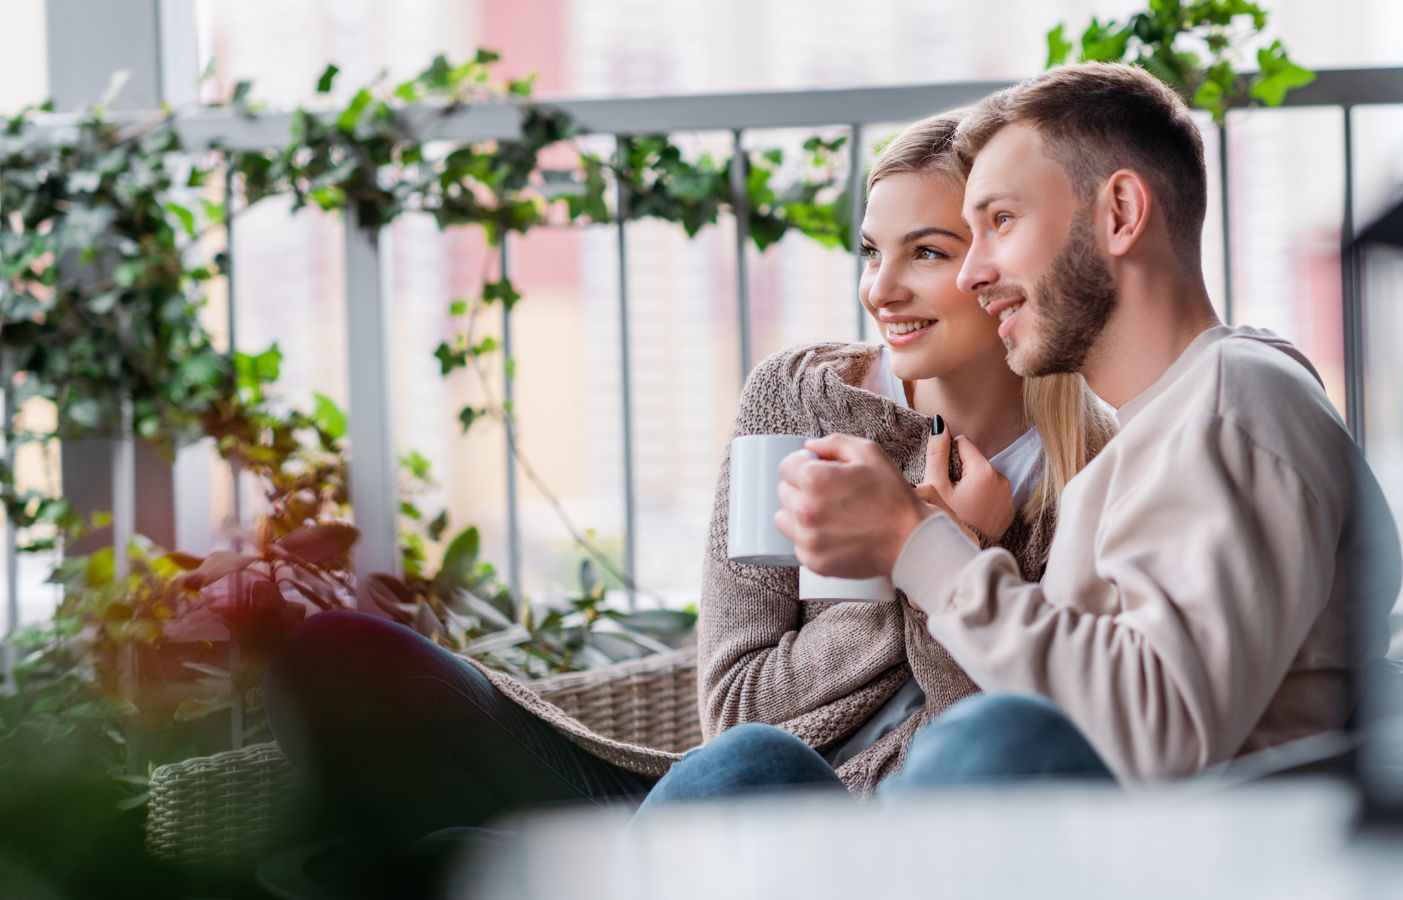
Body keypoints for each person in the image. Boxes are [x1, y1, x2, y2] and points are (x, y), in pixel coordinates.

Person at [261, 112, 1116, 886]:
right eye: (870, 250)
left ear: (1003, 266)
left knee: (759, 767)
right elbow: (735, 701)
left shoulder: (1090, 471)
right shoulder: (799, 400)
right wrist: (903, 556)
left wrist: (942, 567)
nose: (879, 289)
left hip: (849, 843)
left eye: (924, 252)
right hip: (690, 804)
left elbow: (986, 777)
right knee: (335, 658)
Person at [662, 61, 1402, 796]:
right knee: (753, 761)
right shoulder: (1170, 427)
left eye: (1000, 223)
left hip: (1183, 844)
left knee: (977, 739)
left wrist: (921, 547)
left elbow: (1147, 732)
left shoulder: (1229, 400)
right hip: (1059, 830)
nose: (976, 272)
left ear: (1119, 214)